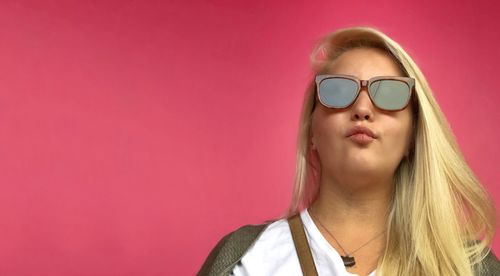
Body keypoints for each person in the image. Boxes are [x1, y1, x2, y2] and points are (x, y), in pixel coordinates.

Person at [197, 26, 500, 276]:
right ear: (312, 131)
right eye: (338, 91)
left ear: (413, 137)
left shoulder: (470, 268)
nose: (363, 108)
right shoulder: (246, 262)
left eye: (391, 93)